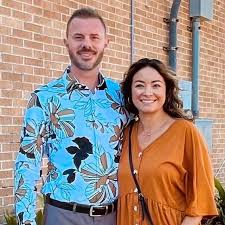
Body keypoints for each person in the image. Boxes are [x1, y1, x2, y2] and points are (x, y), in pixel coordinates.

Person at [14, 7, 129, 225]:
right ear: (66, 42)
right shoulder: (44, 98)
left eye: (94, 37)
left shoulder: (122, 97)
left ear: (106, 42)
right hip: (63, 215)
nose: (87, 44)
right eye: (78, 37)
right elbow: (27, 165)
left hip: (116, 216)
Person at [117, 58, 218, 225]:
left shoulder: (186, 132)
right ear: (130, 91)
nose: (147, 92)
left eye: (156, 85)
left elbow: (199, 202)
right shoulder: (125, 133)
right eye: (139, 85)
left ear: (167, 90)